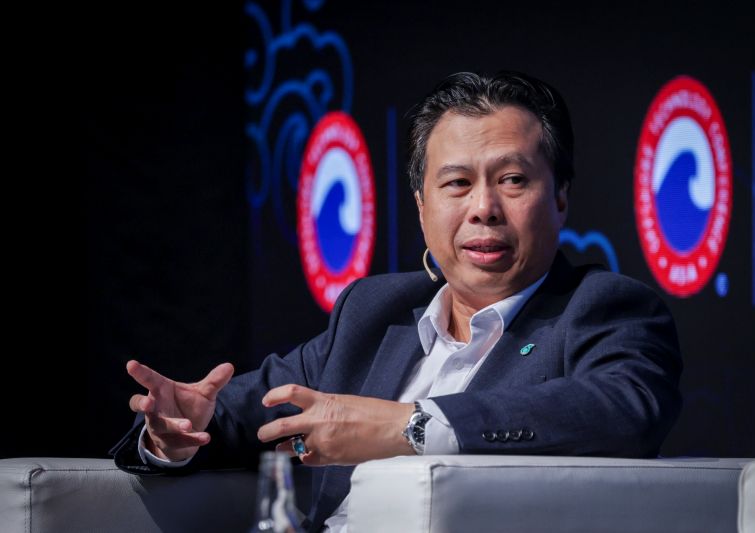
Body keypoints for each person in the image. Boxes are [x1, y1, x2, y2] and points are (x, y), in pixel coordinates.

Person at [111, 71, 682, 532]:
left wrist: (410, 426)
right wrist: (178, 429)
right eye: (457, 183)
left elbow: (622, 410)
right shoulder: (375, 311)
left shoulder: (602, 308)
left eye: (512, 179)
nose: (484, 208)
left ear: (559, 199)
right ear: (421, 206)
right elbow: (245, 411)